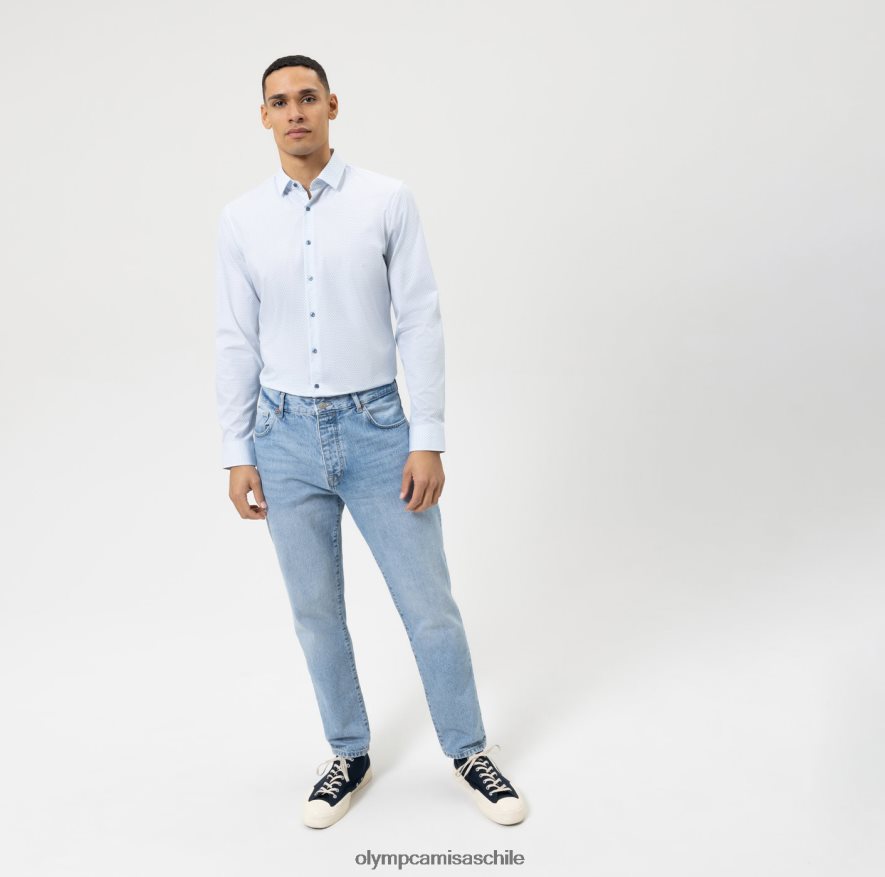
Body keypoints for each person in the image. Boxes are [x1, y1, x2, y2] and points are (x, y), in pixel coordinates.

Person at [214, 54, 527, 828]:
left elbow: (419, 317)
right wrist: (237, 450)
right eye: (279, 101)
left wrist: (428, 436)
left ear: (332, 106)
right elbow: (235, 339)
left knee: (429, 607)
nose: (294, 111)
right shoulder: (242, 220)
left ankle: (467, 748)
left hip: (380, 431)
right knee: (314, 612)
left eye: (307, 97)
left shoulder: (386, 200)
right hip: (282, 436)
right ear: (263, 116)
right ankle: (347, 751)